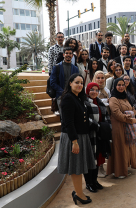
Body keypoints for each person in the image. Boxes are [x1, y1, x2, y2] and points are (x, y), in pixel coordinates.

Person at [57, 73, 95, 205]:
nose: (80, 85)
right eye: (77, 82)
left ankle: (79, 192)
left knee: (79, 166)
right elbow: (68, 122)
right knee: (76, 168)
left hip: (81, 136)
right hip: (73, 137)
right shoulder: (68, 98)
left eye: (81, 83)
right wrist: (74, 142)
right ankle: (79, 194)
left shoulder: (78, 97)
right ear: (70, 83)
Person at [107, 78, 136, 178]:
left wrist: (130, 115)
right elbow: (117, 114)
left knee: (126, 147)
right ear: (115, 87)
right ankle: (118, 171)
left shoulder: (126, 97)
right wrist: (130, 119)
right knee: (119, 148)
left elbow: (133, 109)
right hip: (118, 127)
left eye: (122, 85)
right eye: (118, 85)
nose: (121, 87)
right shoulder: (113, 99)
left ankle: (124, 167)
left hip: (127, 127)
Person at [84, 82, 110, 192]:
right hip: (90, 135)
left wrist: (106, 126)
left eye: (96, 90)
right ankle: (88, 183)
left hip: (100, 135)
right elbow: (85, 118)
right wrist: (98, 126)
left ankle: (94, 181)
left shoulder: (100, 103)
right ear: (87, 91)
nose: (94, 92)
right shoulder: (84, 103)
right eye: (92, 90)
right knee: (90, 160)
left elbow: (106, 117)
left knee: (97, 160)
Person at [50, 47, 79, 115]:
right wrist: (62, 91)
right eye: (66, 53)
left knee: (73, 115)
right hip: (61, 95)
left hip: (73, 95)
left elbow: (77, 81)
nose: (68, 55)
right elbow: (52, 83)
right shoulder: (57, 67)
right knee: (63, 116)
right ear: (63, 54)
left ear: (72, 55)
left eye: (70, 53)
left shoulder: (75, 69)